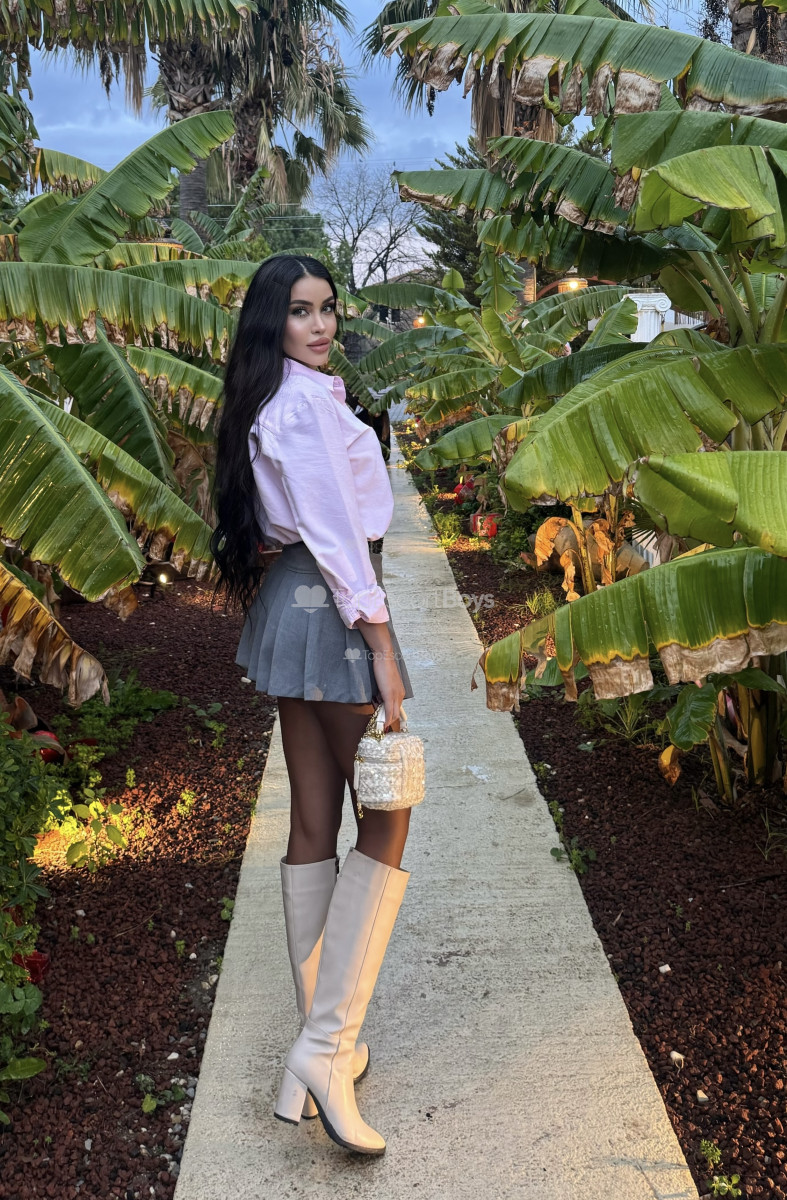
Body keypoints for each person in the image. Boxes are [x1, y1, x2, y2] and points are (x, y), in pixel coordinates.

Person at [211, 254, 414, 1157]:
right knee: (390, 809)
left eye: (328, 308)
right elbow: (338, 537)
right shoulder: (301, 408)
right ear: (272, 322)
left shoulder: (285, 400)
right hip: (332, 612)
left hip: (293, 606)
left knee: (313, 819)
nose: (322, 325)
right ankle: (327, 1048)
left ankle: (318, 1049)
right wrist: (383, 648)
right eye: (301, 311)